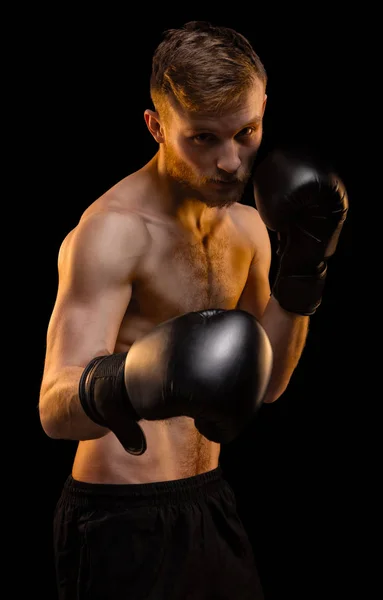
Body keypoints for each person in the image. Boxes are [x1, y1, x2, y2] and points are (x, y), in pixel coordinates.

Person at [39, 20, 348, 600]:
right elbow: (54, 411)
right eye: (203, 138)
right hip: (117, 518)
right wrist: (133, 382)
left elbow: (271, 384)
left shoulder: (251, 227)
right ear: (157, 127)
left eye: (246, 132)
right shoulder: (113, 232)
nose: (231, 162)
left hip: (210, 500)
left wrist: (303, 274)